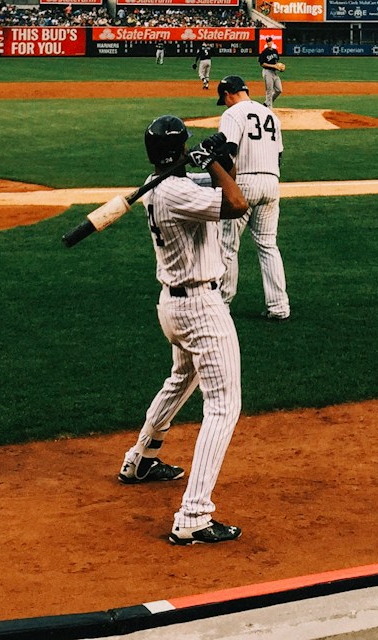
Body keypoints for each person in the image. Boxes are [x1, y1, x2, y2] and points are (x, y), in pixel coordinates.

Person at [119, 114, 249, 546]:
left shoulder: (158, 185)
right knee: (223, 406)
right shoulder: (175, 192)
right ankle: (193, 515)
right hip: (200, 309)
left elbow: (214, 182)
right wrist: (214, 163)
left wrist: (219, 159)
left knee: (181, 379)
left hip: (172, 306)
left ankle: (141, 457)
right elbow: (236, 203)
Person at [215, 75, 290, 320]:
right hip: (272, 182)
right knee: (268, 246)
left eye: (223, 98)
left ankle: (222, 305)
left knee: (227, 245)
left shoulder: (232, 114)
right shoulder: (270, 115)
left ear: (228, 94)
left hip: (244, 182)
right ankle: (279, 307)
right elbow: (279, 155)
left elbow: (229, 155)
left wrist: (225, 185)